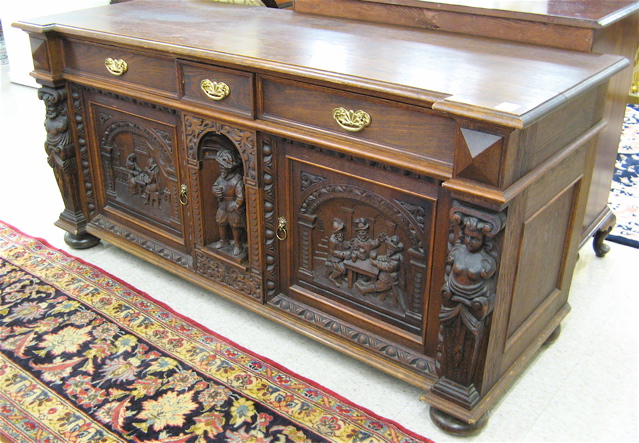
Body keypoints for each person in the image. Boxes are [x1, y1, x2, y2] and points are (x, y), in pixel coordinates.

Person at [212, 148, 246, 256]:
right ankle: (223, 240)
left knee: (235, 225)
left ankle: (237, 244)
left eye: (224, 168)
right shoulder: (220, 178)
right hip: (222, 205)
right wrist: (215, 191)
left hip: (233, 207)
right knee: (221, 222)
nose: (221, 169)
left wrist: (236, 205)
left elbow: (240, 197)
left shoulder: (237, 181)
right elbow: (215, 186)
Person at [325, 218, 352, 287]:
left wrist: (349, 244)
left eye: (341, 231)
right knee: (342, 269)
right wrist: (342, 255)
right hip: (334, 258)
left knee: (347, 265)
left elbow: (342, 244)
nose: (341, 233)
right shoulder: (332, 240)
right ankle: (332, 278)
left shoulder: (340, 236)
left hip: (339, 256)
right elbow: (332, 251)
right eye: (339, 231)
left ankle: (341, 276)